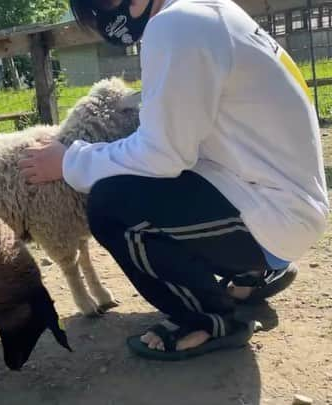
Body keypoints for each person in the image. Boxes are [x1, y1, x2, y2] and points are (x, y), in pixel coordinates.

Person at [18, 0, 329, 360]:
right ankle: (250, 272)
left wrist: (69, 160)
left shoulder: (176, 25)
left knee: (111, 204)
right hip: (285, 200)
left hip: (275, 214)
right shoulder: (209, 10)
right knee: (147, 183)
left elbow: (161, 155)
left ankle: (205, 320)